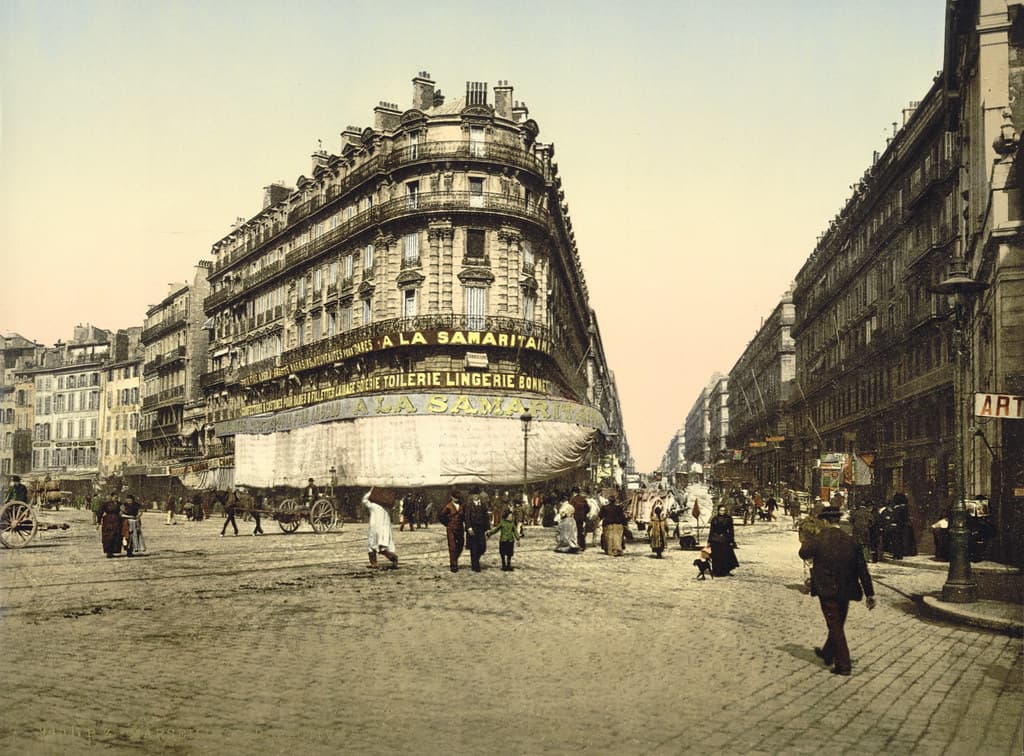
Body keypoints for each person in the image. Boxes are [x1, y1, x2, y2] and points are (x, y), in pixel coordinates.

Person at [798, 507, 876, 676]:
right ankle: (827, 652)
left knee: (835, 626)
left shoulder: (819, 538)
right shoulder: (851, 541)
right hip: (847, 589)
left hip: (827, 589)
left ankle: (843, 664)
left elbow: (803, 554)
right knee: (838, 623)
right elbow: (862, 569)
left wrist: (806, 538)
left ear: (825, 521)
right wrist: (870, 593)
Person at [362, 488, 398, 568]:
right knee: (383, 547)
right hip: (384, 529)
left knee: (372, 547)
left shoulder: (373, 506)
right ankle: (394, 559)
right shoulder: (386, 508)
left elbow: (364, 500)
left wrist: (371, 490)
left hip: (375, 529)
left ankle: (374, 563)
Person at [707, 504, 739, 576]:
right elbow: (711, 530)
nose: (722, 512)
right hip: (715, 539)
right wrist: (709, 540)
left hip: (725, 539)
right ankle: (716, 571)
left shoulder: (728, 519)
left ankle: (725, 571)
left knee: (725, 555)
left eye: (724, 510)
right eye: (721, 510)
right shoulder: (714, 519)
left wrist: (731, 540)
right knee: (716, 556)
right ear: (718, 510)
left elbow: (731, 530)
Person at [464, 486, 491, 572]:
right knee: (474, 547)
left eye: (476, 494)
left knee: (482, 547)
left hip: (481, 528)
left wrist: (488, 528)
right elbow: (467, 517)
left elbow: (486, 517)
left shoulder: (483, 504)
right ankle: (475, 565)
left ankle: (475, 560)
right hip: (473, 528)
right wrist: (469, 528)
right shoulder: (469, 505)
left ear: (479, 495)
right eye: (473, 494)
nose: (475, 496)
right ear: (471, 496)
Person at [438, 490, 465, 572]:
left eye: (458, 498)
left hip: (460, 528)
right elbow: (441, 516)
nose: (456, 499)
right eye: (455, 497)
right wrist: (447, 524)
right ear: (452, 497)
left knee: (460, 545)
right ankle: (453, 565)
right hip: (451, 529)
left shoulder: (462, 506)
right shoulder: (448, 506)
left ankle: (454, 558)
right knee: (452, 546)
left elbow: (464, 516)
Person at [570, 487, 588, 552]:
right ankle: (582, 545)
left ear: (574, 492)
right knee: (581, 531)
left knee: (575, 531)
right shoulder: (583, 499)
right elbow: (587, 508)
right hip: (582, 517)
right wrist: (584, 514)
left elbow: (570, 508)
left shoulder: (573, 499)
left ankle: (575, 545)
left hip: (575, 517)